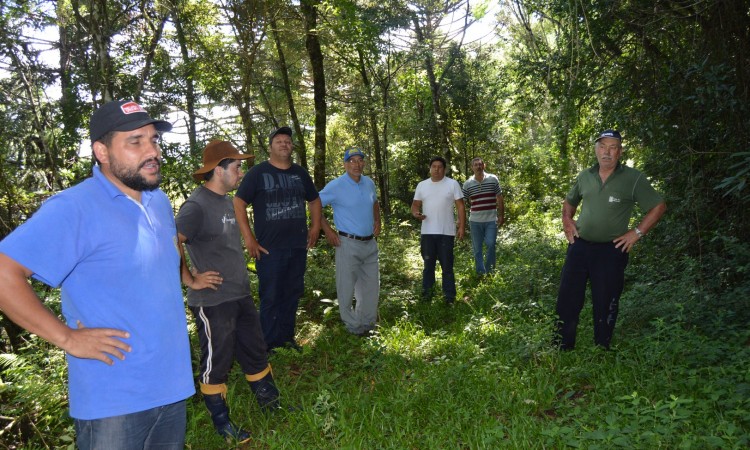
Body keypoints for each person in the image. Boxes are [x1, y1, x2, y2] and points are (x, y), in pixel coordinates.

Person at [0, 100, 194, 449]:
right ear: (101, 152)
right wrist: (67, 338)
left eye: (153, 140)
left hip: (171, 385)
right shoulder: (74, 207)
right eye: (135, 141)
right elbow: (4, 272)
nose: (152, 151)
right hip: (113, 400)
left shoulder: (159, 201)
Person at [176, 140, 285, 442]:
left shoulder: (226, 201)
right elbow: (173, 240)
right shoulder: (196, 206)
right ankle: (223, 424)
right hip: (213, 302)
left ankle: (271, 404)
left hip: (239, 294)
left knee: (255, 350)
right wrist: (190, 278)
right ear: (218, 169)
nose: (241, 172)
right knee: (217, 361)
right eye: (237, 166)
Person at [556, 129, 666, 350]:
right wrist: (567, 220)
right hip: (579, 245)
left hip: (611, 250)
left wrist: (636, 233)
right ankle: (561, 346)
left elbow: (658, 206)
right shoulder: (585, 176)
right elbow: (570, 202)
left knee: (605, 300)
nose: (607, 152)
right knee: (567, 297)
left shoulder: (633, 179)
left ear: (620, 152)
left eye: (613, 147)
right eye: (602, 146)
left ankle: (601, 348)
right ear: (596, 150)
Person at [233, 126, 322, 353]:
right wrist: (249, 239)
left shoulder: (300, 173)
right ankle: (268, 343)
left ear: (292, 147)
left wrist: (315, 226)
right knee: (271, 295)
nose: (284, 144)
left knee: (292, 293)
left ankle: (286, 338)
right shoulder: (258, 173)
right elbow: (239, 202)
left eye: (288, 141)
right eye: (279, 141)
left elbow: (314, 200)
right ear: (270, 146)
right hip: (269, 249)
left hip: (297, 246)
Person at [319, 147, 381, 336]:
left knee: (371, 287)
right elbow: (314, 204)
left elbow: (375, 203)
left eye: (359, 160)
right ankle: (354, 327)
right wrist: (327, 230)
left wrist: (378, 220)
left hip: (370, 244)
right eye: (352, 161)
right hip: (347, 243)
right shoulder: (336, 186)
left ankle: (368, 325)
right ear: (345, 164)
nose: (356, 164)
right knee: (346, 287)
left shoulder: (369, 183)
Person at [411, 156, 466, 304]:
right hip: (427, 232)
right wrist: (416, 214)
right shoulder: (422, 185)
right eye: (434, 166)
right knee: (428, 266)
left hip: (446, 232)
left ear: (444, 169)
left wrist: (462, 226)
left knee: (447, 266)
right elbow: (415, 205)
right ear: (430, 169)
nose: (437, 169)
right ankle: (427, 295)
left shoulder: (452, 184)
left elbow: (460, 206)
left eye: (440, 167)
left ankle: (449, 297)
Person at [462, 157, 505, 275]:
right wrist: (460, 221)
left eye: (480, 164)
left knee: (491, 244)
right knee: (477, 249)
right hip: (475, 220)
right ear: (472, 168)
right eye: (475, 165)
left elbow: (500, 198)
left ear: (484, 166)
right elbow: (462, 202)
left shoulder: (493, 179)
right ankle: (481, 273)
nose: (478, 167)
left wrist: (501, 215)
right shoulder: (467, 184)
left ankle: (490, 272)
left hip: (491, 219)